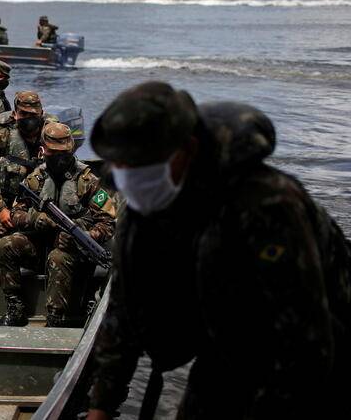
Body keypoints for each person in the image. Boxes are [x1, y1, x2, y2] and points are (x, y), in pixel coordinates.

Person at [84, 82, 351, 419]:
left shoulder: (266, 205)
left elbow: (305, 345)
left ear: (187, 151)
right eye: (122, 169)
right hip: (225, 341)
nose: (132, 181)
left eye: (145, 169)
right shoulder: (144, 210)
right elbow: (123, 314)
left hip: (317, 350)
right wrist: (101, 407)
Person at [0, 123, 117, 327]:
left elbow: (107, 224)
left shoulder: (88, 181)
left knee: (57, 257)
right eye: (54, 153)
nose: (59, 158)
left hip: (76, 252)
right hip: (42, 243)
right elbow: (16, 213)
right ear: (43, 150)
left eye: (64, 153)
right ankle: (15, 307)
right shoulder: (36, 179)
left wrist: (87, 236)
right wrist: (34, 219)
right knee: (5, 245)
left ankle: (55, 319)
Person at [0, 91, 56, 248]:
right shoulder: (2, 137)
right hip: (7, 201)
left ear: (42, 113)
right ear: (14, 114)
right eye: (24, 113)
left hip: (41, 204)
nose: (29, 118)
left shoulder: (52, 137)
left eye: (33, 114)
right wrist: (0, 209)